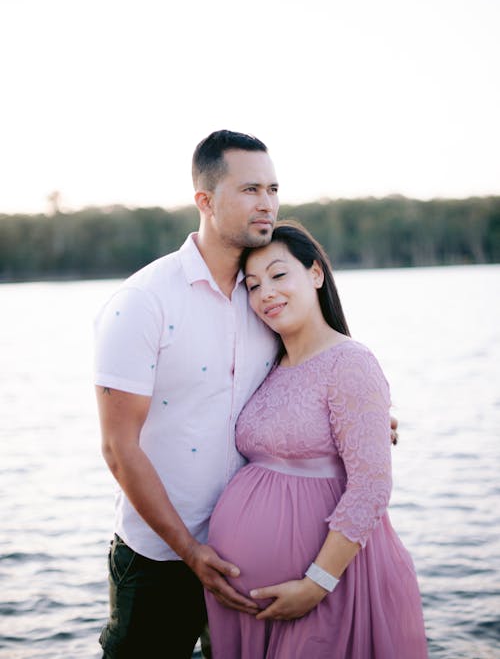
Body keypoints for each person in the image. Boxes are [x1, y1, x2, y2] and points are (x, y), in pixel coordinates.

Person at [94, 130, 398, 658]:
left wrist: (371, 423)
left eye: (274, 189)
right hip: (162, 558)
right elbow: (120, 449)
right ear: (205, 201)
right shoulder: (143, 302)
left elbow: (321, 380)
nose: (268, 203)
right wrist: (190, 552)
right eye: (251, 189)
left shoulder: (265, 300)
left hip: (255, 564)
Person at [205, 221, 428, 658]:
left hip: (326, 588)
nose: (265, 292)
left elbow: (371, 487)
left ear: (315, 274)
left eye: (278, 274)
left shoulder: (350, 362)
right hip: (242, 601)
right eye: (252, 285)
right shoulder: (267, 365)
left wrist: (316, 584)